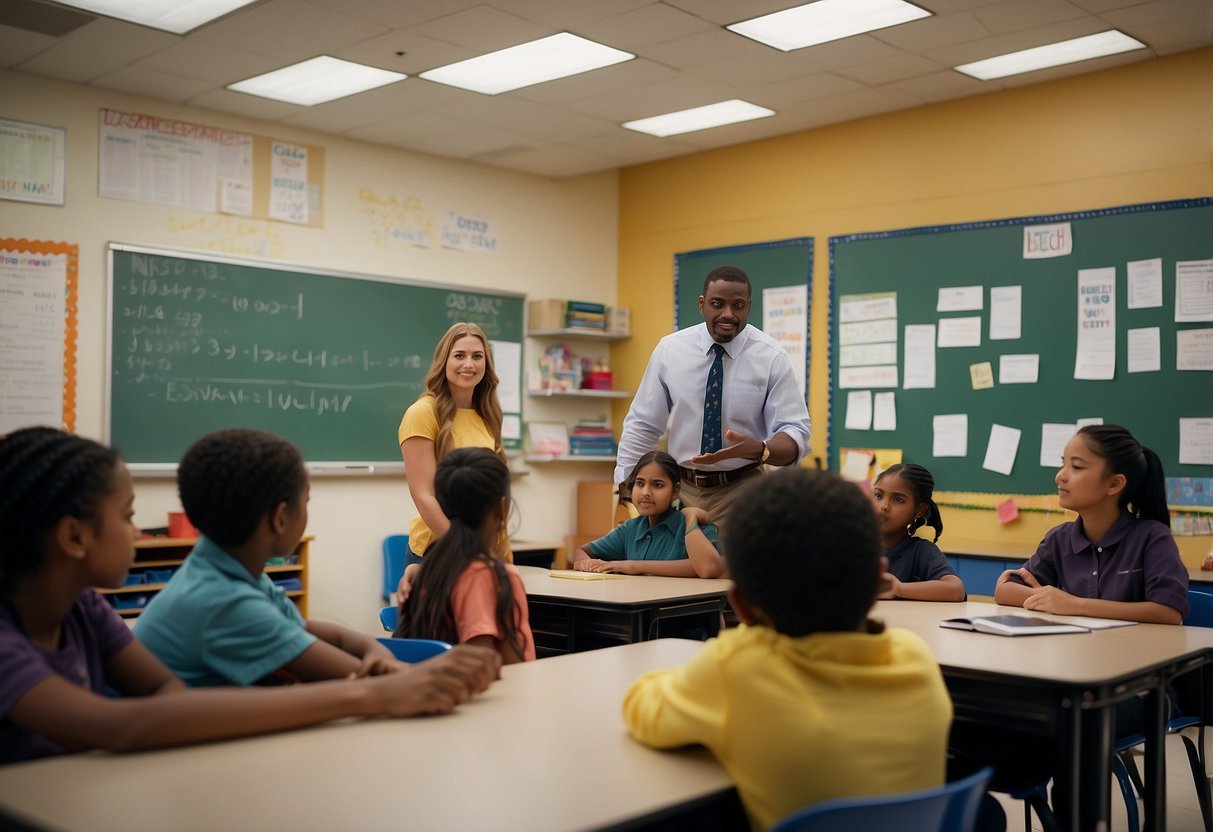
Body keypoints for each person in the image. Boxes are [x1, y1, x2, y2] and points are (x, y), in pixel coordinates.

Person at [0, 427, 499, 765]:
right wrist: (372, 691)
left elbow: (166, 695)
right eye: (129, 515)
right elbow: (122, 726)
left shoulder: (82, 608)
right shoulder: (6, 642)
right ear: (73, 537)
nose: (137, 531)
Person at [622, 468, 952, 831]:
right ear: (878, 580)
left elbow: (640, 709)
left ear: (741, 607)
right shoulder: (914, 658)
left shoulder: (739, 669)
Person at [134, 428, 426, 686]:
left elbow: (320, 634)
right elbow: (369, 683)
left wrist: (371, 647)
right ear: (281, 517)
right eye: (306, 501)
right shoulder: (225, 600)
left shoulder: (230, 571)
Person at [614, 265, 811, 527]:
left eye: (738, 305)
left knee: (727, 568)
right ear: (702, 304)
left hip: (742, 489)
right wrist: (626, 486)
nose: (728, 314)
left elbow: (795, 432)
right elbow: (643, 424)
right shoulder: (670, 350)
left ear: (748, 307)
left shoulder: (771, 357)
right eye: (718, 304)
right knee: (667, 567)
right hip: (677, 490)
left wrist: (761, 449)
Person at [994, 424, 1187, 623]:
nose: (1059, 476)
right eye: (1063, 464)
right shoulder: (1059, 539)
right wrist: (1049, 597)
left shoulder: (1152, 537)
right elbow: (1005, 590)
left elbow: (1168, 612)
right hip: (1077, 651)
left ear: (1114, 484)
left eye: (1076, 467)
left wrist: (1075, 605)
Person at [397, 322, 509, 600]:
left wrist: (502, 555)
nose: (468, 364)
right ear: (444, 360)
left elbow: (496, 495)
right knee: (445, 641)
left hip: (483, 551)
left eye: (477, 356)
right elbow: (424, 495)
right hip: (438, 551)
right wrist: (466, 551)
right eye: (459, 355)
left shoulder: (490, 414)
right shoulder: (422, 413)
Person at [395, 448, 534, 663]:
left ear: (440, 504)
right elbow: (495, 667)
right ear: (502, 509)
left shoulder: (426, 570)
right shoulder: (495, 578)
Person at [572, 451, 726, 578]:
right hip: (639, 609)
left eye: (657, 485)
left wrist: (691, 519)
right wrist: (586, 563)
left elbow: (708, 568)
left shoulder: (695, 528)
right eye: (640, 483)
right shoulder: (630, 529)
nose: (645, 493)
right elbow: (581, 551)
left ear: (676, 491)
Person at [871, 463, 965, 601]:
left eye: (897, 499)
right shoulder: (856, 546)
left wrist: (898, 589)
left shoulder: (921, 551)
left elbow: (956, 590)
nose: (883, 506)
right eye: (878, 495)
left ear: (919, 510)